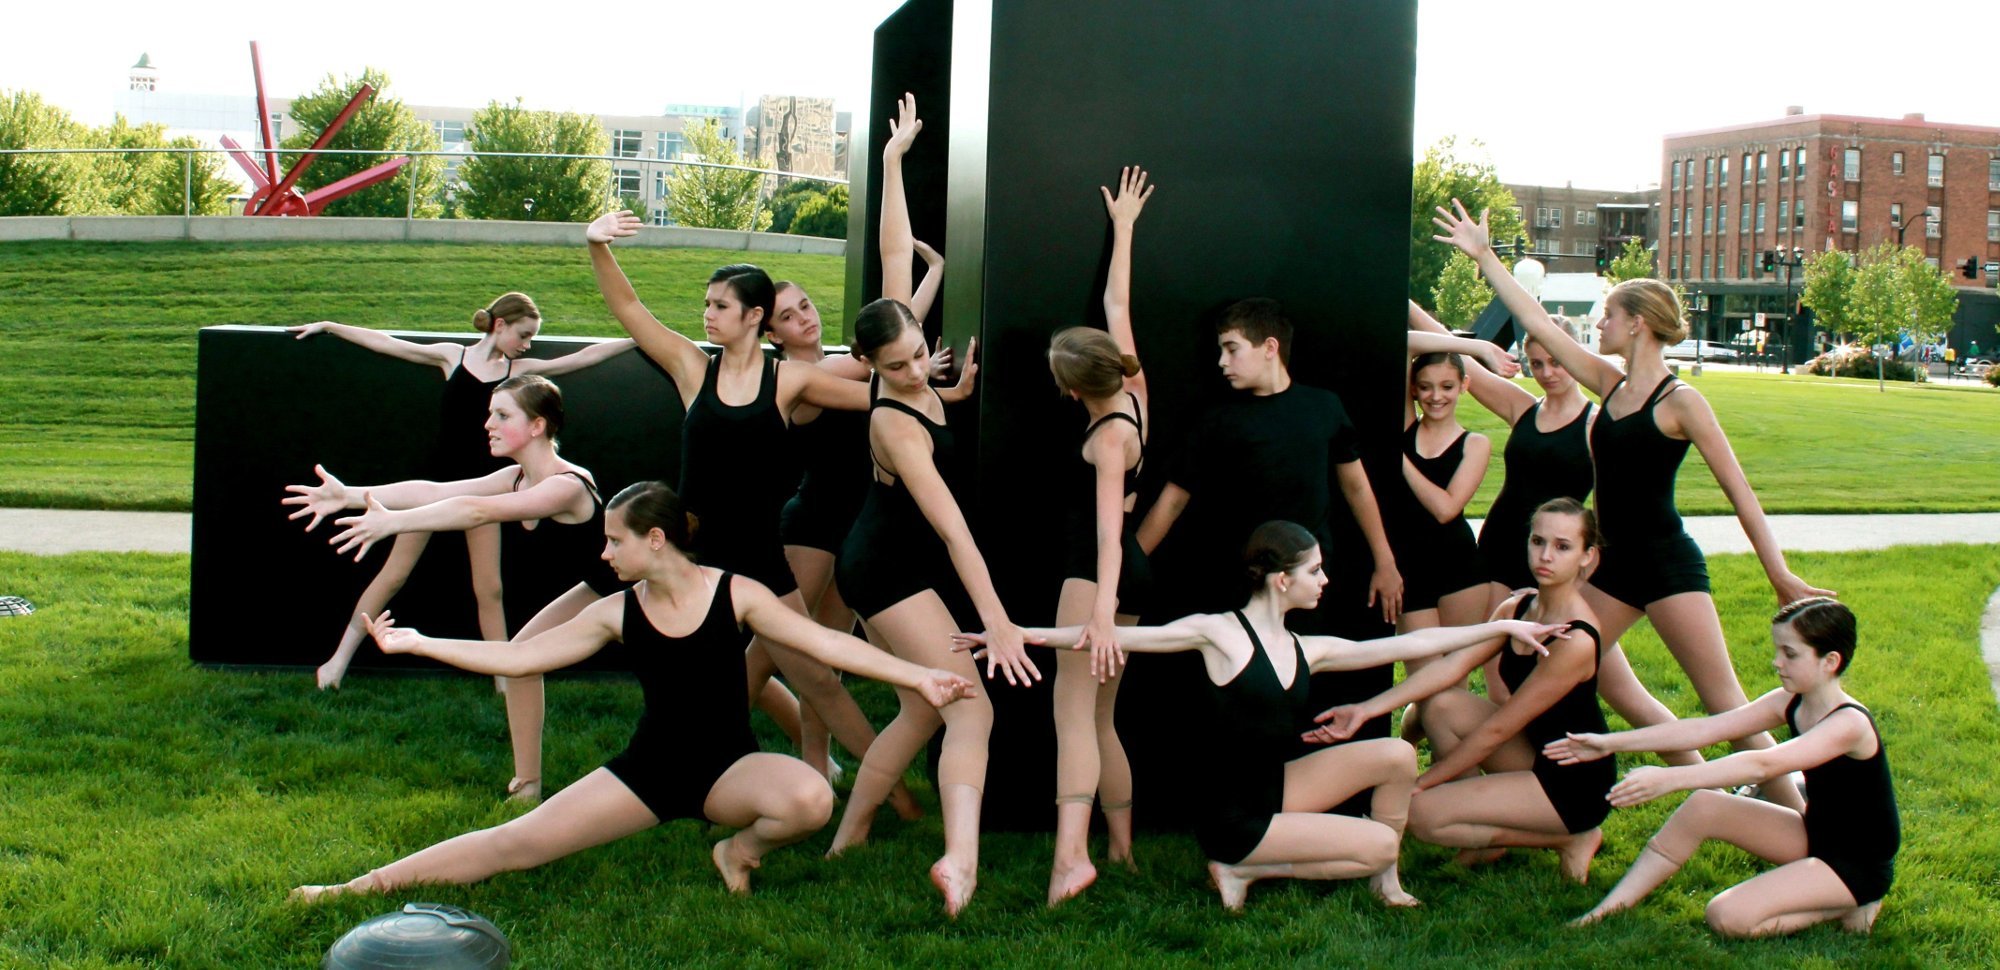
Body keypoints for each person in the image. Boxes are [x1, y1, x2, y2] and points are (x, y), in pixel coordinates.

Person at [289, 481, 977, 902]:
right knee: (516, 844)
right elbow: (523, 659)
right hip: (647, 772)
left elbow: (827, 645)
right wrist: (422, 643)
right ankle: (354, 888)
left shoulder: (736, 593)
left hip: (727, 770)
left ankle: (735, 852)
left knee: (809, 798)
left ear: (655, 540)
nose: (605, 554)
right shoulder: (615, 611)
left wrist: (920, 675)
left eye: (614, 541)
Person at [1434, 200, 1833, 808]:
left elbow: (1741, 496)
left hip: (1667, 565)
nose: (1600, 325)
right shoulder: (1609, 385)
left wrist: (1778, 574)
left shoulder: (1683, 403)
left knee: (1723, 698)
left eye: (1608, 316)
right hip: (1610, 568)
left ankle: (1794, 810)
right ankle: (1687, 780)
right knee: (1611, 685)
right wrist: (1486, 257)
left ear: (1639, 324)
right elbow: (1537, 324)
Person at [957, 521, 1571, 911]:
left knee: (1397, 755)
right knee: (1382, 839)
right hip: (1233, 817)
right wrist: (1013, 635)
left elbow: (1404, 647)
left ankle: (1385, 884)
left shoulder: (1308, 647)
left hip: (1275, 791)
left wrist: (1503, 625)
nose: (1325, 581)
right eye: (1315, 571)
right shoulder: (1218, 634)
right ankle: (1242, 864)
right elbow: (1107, 638)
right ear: (1281, 581)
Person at [585, 210, 892, 795]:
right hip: (694, 553)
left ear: (754, 317)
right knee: (706, 680)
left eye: (720, 305)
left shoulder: (788, 381)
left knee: (818, 679)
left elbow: (874, 396)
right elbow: (629, 311)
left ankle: (895, 795)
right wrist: (597, 245)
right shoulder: (691, 368)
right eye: (707, 303)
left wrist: (944, 390)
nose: (707, 313)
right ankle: (697, 772)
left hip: (760, 556)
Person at [283, 375, 629, 802]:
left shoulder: (566, 485)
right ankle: (528, 785)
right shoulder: (517, 477)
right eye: (490, 413)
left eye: (502, 415)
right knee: (521, 660)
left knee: (527, 659)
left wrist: (393, 522)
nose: (489, 423)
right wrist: (351, 495)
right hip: (600, 587)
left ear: (537, 425)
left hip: (641, 593)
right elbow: (434, 490)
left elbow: (476, 511)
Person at [285, 295, 634, 689]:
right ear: (499, 325)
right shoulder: (453, 357)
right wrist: (332, 326)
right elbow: (389, 344)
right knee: (392, 576)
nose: (528, 344)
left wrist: (641, 336)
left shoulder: (520, 374)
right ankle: (337, 661)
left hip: (489, 496)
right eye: (523, 334)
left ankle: (505, 677)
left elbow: (581, 359)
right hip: (439, 487)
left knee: (489, 589)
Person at [823, 294, 1036, 917]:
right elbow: (954, 531)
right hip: (884, 572)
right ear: (868, 365)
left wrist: (958, 390)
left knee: (920, 709)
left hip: (898, 565)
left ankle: (848, 837)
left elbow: (932, 401)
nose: (915, 373)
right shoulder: (890, 421)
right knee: (972, 711)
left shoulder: (922, 384)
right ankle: (959, 862)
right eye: (896, 367)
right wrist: (997, 623)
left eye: (919, 355)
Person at [1306, 498, 1612, 883]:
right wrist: (1366, 709)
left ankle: (1570, 836)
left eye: (1563, 547)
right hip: (1536, 751)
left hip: (1574, 782)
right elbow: (1452, 666)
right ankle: (1481, 828)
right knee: (1440, 705)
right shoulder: (1518, 608)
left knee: (1421, 815)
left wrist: (1424, 783)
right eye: (1538, 541)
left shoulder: (1577, 638)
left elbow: (1498, 729)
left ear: (1588, 557)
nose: (1545, 555)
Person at [1555, 598, 1897, 937]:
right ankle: (1606, 911)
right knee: (1704, 805)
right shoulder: (1790, 701)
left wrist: (1670, 779)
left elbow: (1763, 763)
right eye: (1778, 650)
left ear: (1830, 661)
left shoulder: (1849, 723)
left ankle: (1848, 903)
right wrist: (1607, 742)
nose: (1777, 662)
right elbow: (1705, 729)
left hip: (1857, 864)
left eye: (1790, 654)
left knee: (1725, 916)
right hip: (1815, 834)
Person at [1040, 165, 1155, 906]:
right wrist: (1124, 230)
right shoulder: (1137, 391)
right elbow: (1117, 301)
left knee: (1072, 716)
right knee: (1103, 716)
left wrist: (1102, 614)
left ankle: (1071, 858)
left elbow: (1109, 535)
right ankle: (1121, 849)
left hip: (1099, 577)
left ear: (1072, 389)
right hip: (1128, 575)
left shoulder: (1109, 437)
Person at [1407, 303, 1597, 705]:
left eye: (1557, 361)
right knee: (1494, 671)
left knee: (1532, 675)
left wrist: (1583, 564)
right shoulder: (1524, 407)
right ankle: (1447, 736)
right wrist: (1402, 302)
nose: (1547, 373)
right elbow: (1452, 353)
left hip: (1552, 554)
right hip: (1498, 549)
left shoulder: (1596, 425)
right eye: (1537, 364)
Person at [1386, 349, 1491, 636]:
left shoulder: (1475, 444)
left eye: (1447, 386)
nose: (1436, 396)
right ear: (1413, 388)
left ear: (1464, 385)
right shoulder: (1407, 427)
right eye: (1425, 386)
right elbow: (1404, 345)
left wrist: (1399, 459)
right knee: (1424, 673)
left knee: (1455, 675)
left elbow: (1446, 510)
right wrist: (1467, 346)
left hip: (1460, 568)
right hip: (1407, 569)